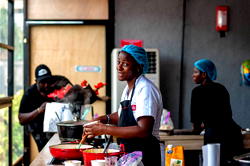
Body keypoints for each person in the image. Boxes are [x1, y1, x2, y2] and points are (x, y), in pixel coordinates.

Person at [84, 45, 163, 166]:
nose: (119, 67)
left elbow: (143, 130)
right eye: (118, 62)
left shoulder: (145, 89)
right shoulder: (129, 88)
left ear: (138, 67)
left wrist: (104, 129)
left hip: (146, 155)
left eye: (125, 64)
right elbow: (123, 115)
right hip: (131, 154)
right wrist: (103, 119)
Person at [190, 59, 243, 165]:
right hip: (233, 133)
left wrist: (197, 129)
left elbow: (196, 121)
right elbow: (228, 114)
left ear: (204, 74)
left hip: (214, 136)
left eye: (195, 72)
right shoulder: (221, 88)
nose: (193, 75)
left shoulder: (197, 91)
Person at [18, 64, 55, 151]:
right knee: (45, 151)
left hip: (56, 127)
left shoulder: (55, 87)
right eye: (42, 82)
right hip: (38, 128)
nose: (46, 85)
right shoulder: (29, 94)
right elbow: (21, 119)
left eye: (48, 81)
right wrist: (39, 110)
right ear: (36, 81)